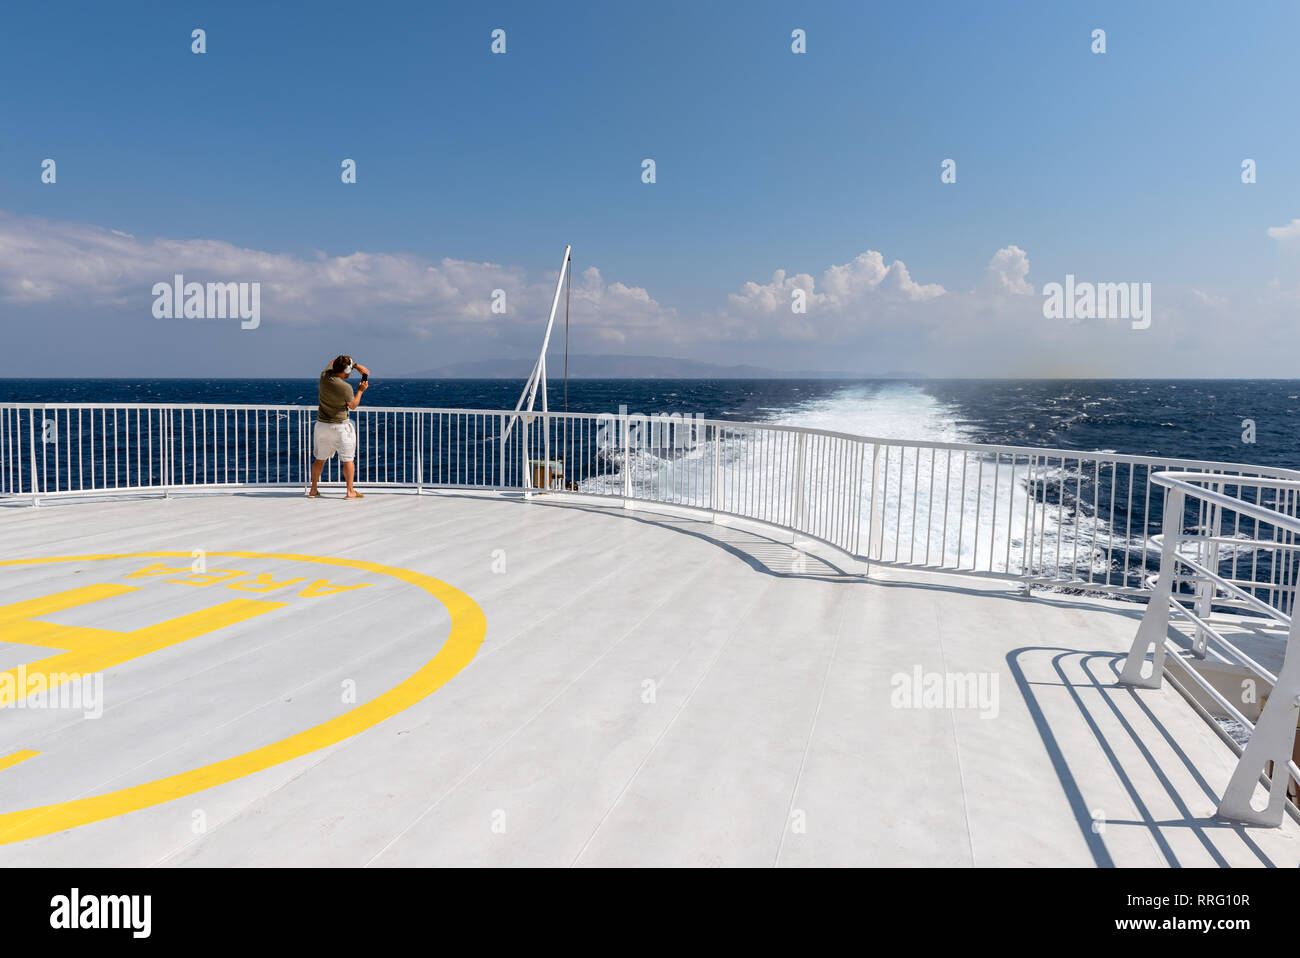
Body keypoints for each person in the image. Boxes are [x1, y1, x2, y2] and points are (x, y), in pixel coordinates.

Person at [308, 355, 370, 499]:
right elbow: (353, 405)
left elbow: (333, 361)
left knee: (320, 459)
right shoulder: (345, 387)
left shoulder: (324, 376)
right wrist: (361, 390)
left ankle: (313, 490)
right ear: (346, 370)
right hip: (339, 427)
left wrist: (351, 364)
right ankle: (350, 492)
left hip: (322, 426)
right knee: (348, 460)